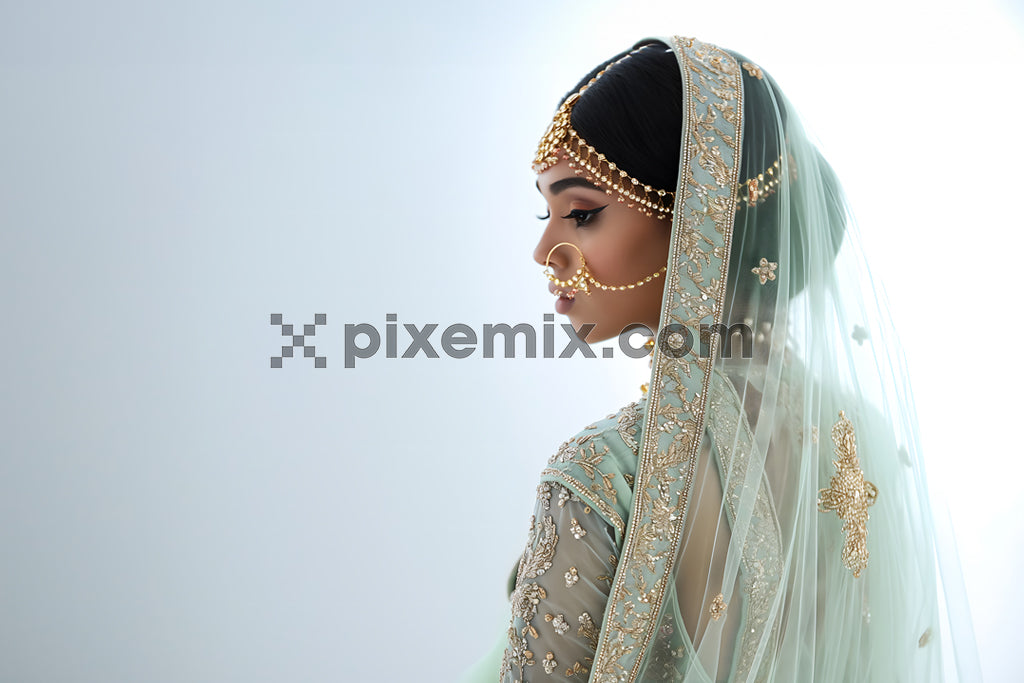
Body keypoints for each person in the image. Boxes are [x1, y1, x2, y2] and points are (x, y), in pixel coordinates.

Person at [466, 35, 980, 682]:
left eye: (582, 213)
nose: (545, 250)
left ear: (698, 219)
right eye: (547, 213)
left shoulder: (604, 474)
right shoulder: (858, 434)